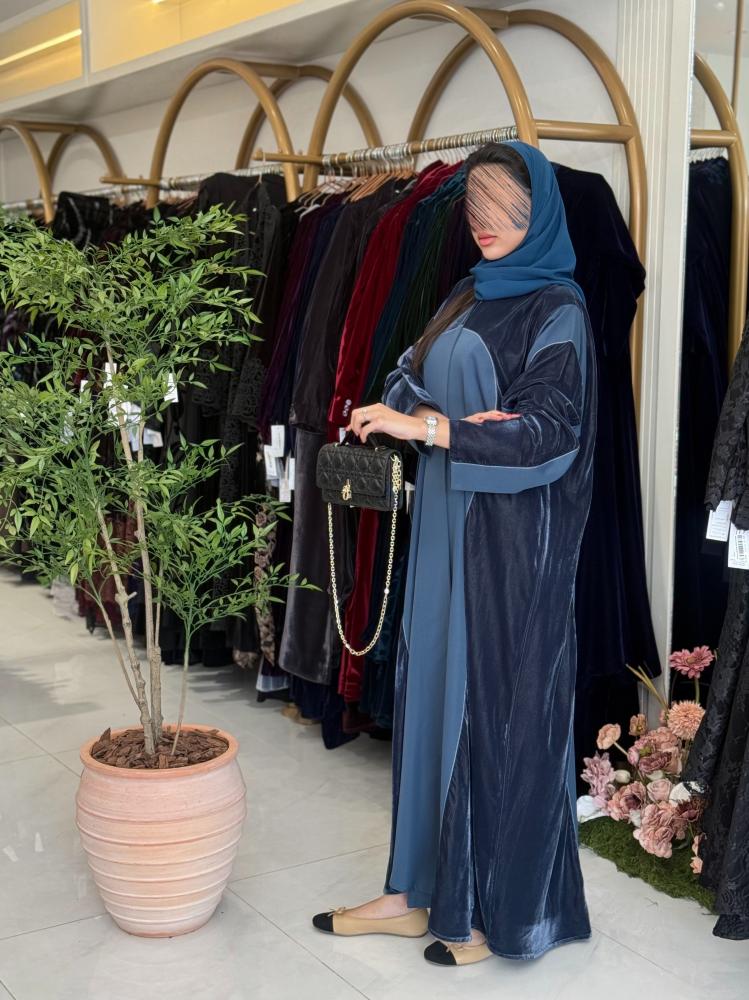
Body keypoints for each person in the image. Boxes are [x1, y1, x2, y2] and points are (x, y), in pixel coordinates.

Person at [312, 141, 597, 967]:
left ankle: (480, 913)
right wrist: (418, 414)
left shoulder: (557, 309)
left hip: (509, 549)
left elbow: (548, 434)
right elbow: (408, 374)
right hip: (445, 523)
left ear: (538, 211)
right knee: (429, 698)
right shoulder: (468, 291)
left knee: (492, 715)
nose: (484, 222)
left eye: (505, 206)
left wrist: (432, 426)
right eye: (475, 206)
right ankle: (410, 891)